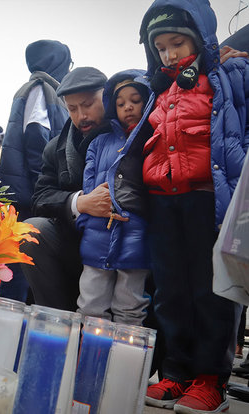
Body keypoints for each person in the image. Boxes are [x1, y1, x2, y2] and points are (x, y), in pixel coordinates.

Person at [138, 1, 249, 412]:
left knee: (213, 289)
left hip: (210, 196)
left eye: (178, 42)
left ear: (200, 38)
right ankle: (175, 372)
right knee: (170, 289)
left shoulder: (231, 73)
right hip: (163, 200)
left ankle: (210, 379)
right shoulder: (157, 87)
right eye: (161, 46)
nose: (170, 54)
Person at [19, 66, 108, 311]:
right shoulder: (55, 148)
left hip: (121, 241)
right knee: (31, 231)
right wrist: (79, 202)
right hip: (74, 241)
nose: (81, 116)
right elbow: (40, 198)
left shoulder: (129, 135)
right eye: (72, 108)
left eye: (88, 104)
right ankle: (55, 322)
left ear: (107, 96)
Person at [0, 40, 71, 303]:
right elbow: (37, 138)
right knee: (15, 276)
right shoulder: (42, 89)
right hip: (26, 197)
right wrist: (45, 189)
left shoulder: (47, 89)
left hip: (27, 194)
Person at [76, 70, 153, 326]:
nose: (128, 107)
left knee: (130, 305)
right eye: (120, 103)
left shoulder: (153, 139)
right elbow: (88, 186)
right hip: (97, 231)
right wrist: (85, 222)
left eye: (135, 100)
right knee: (90, 304)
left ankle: (125, 363)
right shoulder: (99, 143)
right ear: (112, 106)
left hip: (136, 232)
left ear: (148, 100)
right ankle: (86, 358)